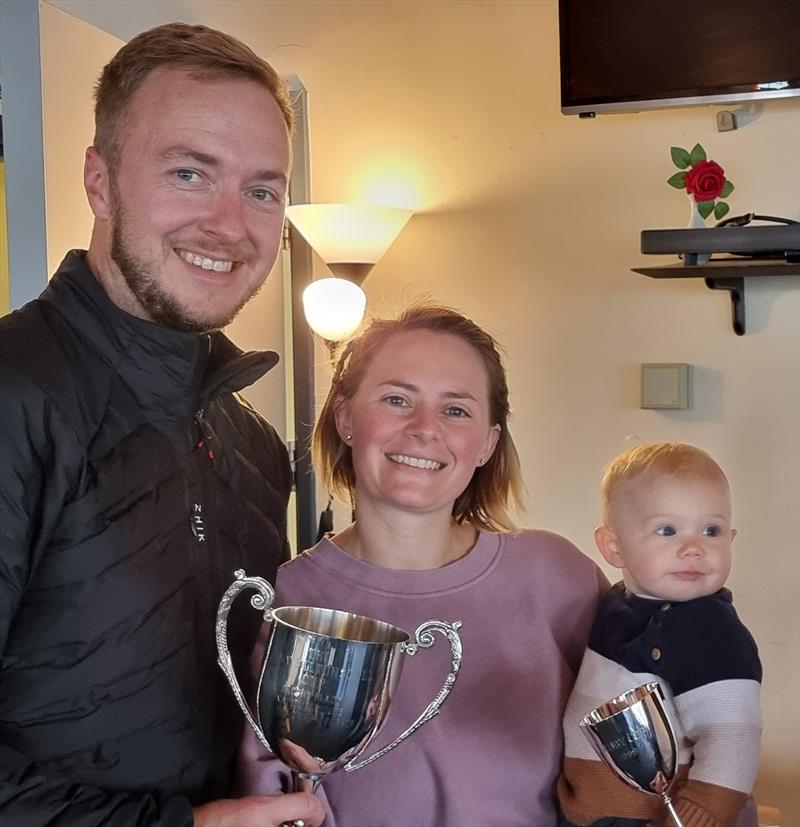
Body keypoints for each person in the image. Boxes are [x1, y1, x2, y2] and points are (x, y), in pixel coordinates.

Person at [0, 22, 324, 827]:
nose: (229, 225)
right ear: (99, 181)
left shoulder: (251, 443)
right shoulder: (13, 394)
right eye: (189, 172)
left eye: (262, 190)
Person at [237, 304, 610, 826]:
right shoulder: (283, 603)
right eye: (397, 399)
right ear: (345, 419)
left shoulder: (558, 579)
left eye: (455, 410)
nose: (423, 428)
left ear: (487, 443)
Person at [557, 443, 762, 827]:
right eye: (667, 530)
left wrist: (702, 814)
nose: (693, 548)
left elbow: (733, 734)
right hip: (603, 808)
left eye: (711, 530)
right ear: (614, 547)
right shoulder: (619, 603)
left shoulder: (706, 628)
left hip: (658, 817)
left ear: (731, 538)